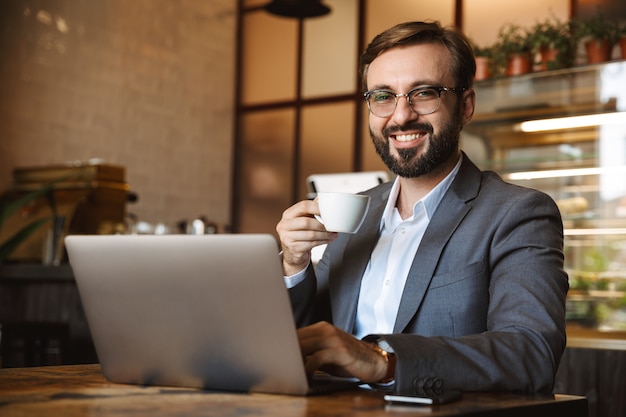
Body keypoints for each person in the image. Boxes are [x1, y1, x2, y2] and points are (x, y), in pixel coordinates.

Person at [276, 21, 568, 396]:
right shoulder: (357, 212)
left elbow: (532, 354)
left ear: (465, 107)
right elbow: (310, 341)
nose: (400, 116)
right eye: (383, 96)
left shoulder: (518, 213)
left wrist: (384, 360)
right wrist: (294, 266)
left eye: (423, 93)